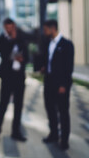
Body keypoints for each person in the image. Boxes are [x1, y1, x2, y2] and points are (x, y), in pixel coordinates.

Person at [0, 18, 28, 145]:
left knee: (18, 106)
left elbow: (27, 54)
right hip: (7, 78)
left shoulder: (21, 37)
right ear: (4, 27)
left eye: (11, 27)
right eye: (7, 27)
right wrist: (13, 38)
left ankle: (16, 132)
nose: (9, 29)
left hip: (19, 77)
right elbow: (5, 52)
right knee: (3, 106)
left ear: (14, 26)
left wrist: (23, 58)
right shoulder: (1, 39)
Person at [41, 20, 74, 150]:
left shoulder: (67, 44)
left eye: (45, 29)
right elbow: (49, 61)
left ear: (52, 28)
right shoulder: (47, 43)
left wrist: (63, 85)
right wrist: (44, 68)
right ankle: (54, 134)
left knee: (63, 112)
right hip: (48, 82)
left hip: (60, 85)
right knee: (50, 110)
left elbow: (68, 67)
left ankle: (64, 140)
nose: (44, 32)